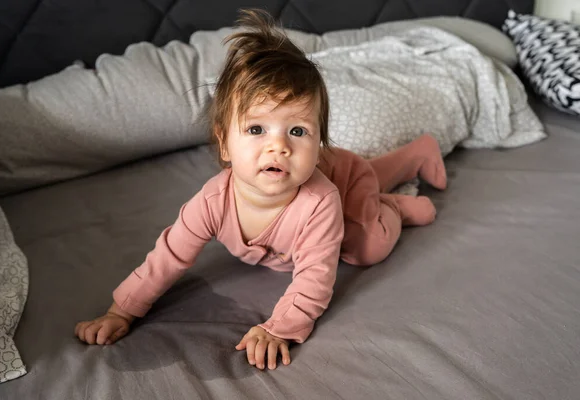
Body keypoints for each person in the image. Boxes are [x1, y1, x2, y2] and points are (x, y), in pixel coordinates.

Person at [74, 9, 447, 371]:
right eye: (256, 130)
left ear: (318, 142)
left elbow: (315, 276)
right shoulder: (211, 203)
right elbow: (167, 257)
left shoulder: (319, 201)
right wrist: (121, 310)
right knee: (364, 175)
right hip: (341, 168)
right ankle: (415, 154)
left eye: (297, 131)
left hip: (346, 179)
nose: (279, 147)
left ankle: (396, 207)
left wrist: (279, 328)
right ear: (224, 145)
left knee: (366, 245)